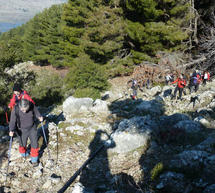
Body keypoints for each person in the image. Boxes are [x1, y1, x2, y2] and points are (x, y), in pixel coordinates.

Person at [9, 99, 43, 167]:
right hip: (21, 130)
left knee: (35, 144)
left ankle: (34, 160)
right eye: (22, 109)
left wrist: (39, 117)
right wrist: (11, 130)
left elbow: (36, 112)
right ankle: (23, 154)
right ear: (20, 107)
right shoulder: (16, 109)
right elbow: (12, 121)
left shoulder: (31, 105)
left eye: (26, 109)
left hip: (32, 128)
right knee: (22, 144)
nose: (24, 111)